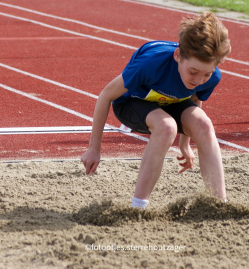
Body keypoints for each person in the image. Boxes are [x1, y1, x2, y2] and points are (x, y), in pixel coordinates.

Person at [81, 12, 232, 209]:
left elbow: (195, 101)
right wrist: (94, 149)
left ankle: (219, 204)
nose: (198, 80)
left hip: (171, 103)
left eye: (206, 74)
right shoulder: (150, 64)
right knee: (166, 127)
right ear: (177, 56)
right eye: (193, 72)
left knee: (204, 124)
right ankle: (138, 207)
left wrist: (185, 144)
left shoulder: (211, 77)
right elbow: (106, 95)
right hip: (132, 103)